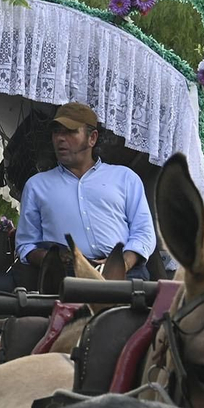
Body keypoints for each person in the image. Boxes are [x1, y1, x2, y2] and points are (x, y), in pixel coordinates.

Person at [15, 101, 156, 279]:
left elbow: (144, 233)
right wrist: (52, 261)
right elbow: (26, 245)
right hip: (64, 278)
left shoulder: (125, 178)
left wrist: (122, 264)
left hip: (124, 274)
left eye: (70, 131)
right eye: (56, 131)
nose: (60, 138)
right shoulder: (36, 186)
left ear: (92, 138)